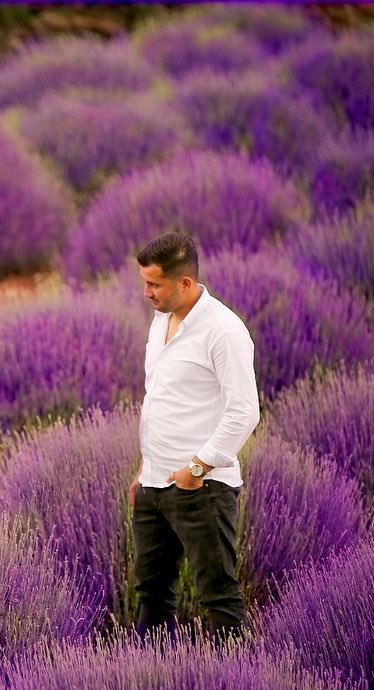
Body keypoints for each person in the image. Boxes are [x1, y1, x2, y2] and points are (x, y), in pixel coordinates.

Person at [127, 232, 260, 641]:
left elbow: (244, 411)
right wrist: (145, 470)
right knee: (151, 593)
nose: (146, 292)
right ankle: (153, 683)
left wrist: (197, 467)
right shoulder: (160, 319)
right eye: (144, 283)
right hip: (153, 486)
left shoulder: (224, 331)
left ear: (185, 283)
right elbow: (162, 399)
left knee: (217, 596)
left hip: (201, 487)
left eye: (155, 284)